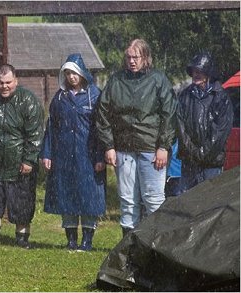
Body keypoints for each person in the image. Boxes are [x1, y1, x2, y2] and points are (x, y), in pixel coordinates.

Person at [95, 39, 177, 237]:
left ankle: (155, 244)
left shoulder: (158, 80)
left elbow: (170, 114)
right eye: (129, 57)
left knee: (153, 199)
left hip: (152, 149)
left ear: (145, 57)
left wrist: (164, 147)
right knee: (128, 200)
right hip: (123, 149)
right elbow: (102, 113)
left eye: (136, 57)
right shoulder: (116, 81)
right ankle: (129, 247)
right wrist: (109, 146)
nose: (131, 61)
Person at [0, 64, 44, 249]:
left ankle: (22, 237)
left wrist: (29, 159)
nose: (5, 86)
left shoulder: (28, 100)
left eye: (8, 82)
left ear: (16, 81)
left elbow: (35, 133)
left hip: (20, 161)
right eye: (1, 82)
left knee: (22, 199)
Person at [40, 53, 106, 251]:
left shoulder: (95, 96)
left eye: (74, 73)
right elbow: (51, 127)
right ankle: (71, 239)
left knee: (88, 196)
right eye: (67, 73)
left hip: (88, 155)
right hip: (64, 155)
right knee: (66, 195)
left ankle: (87, 240)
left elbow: (102, 128)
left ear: (82, 73)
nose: (71, 77)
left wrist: (101, 156)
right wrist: (47, 153)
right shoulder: (59, 98)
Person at [176, 52, 233, 193]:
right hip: (189, 162)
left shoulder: (221, 97)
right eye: (194, 71)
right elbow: (180, 127)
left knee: (210, 204)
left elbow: (220, 132)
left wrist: (203, 154)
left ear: (209, 74)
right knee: (186, 203)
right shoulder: (184, 96)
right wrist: (193, 152)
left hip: (211, 164)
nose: (196, 74)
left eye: (200, 71)